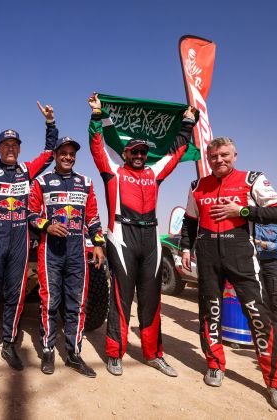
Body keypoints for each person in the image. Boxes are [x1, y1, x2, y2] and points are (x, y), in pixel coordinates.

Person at [180, 136, 277, 413]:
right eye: (214, 156)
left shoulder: (252, 179)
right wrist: (185, 248)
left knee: (258, 316)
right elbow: (190, 222)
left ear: (234, 155)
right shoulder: (197, 185)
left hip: (241, 255)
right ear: (208, 158)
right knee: (210, 313)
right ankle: (214, 365)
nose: (219, 160)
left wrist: (242, 210)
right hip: (207, 255)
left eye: (224, 155)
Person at [87, 93, 195, 377]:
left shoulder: (154, 172)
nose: (138, 156)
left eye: (142, 152)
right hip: (122, 237)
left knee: (151, 299)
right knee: (121, 299)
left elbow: (176, 151)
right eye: (134, 152)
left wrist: (187, 122)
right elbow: (96, 145)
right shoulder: (112, 171)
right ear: (125, 154)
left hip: (151, 239)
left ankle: (153, 354)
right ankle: (115, 353)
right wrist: (96, 115)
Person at [0, 101, 58, 371]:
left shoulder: (26, 171)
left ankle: (8, 344)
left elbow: (49, 154)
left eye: (14, 145)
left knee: (15, 296)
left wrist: (50, 123)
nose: (10, 148)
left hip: (19, 243)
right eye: (6, 144)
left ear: (19, 149)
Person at [28, 136, 106, 377]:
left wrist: (98, 244)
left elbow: (92, 217)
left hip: (77, 252)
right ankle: (48, 350)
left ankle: (74, 353)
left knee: (76, 304)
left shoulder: (86, 182)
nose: (68, 157)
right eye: (63, 153)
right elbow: (30, 213)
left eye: (72, 154)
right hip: (50, 251)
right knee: (50, 303)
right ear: (55, 155)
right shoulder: (42, 181)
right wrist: (47, 226)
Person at [255, 222, 277, 349]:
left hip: (274, 266)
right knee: (260, 299)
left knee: (276, 300)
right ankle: (264, 334)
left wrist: (259, 243)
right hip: (256, 263)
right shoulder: (254, 224)